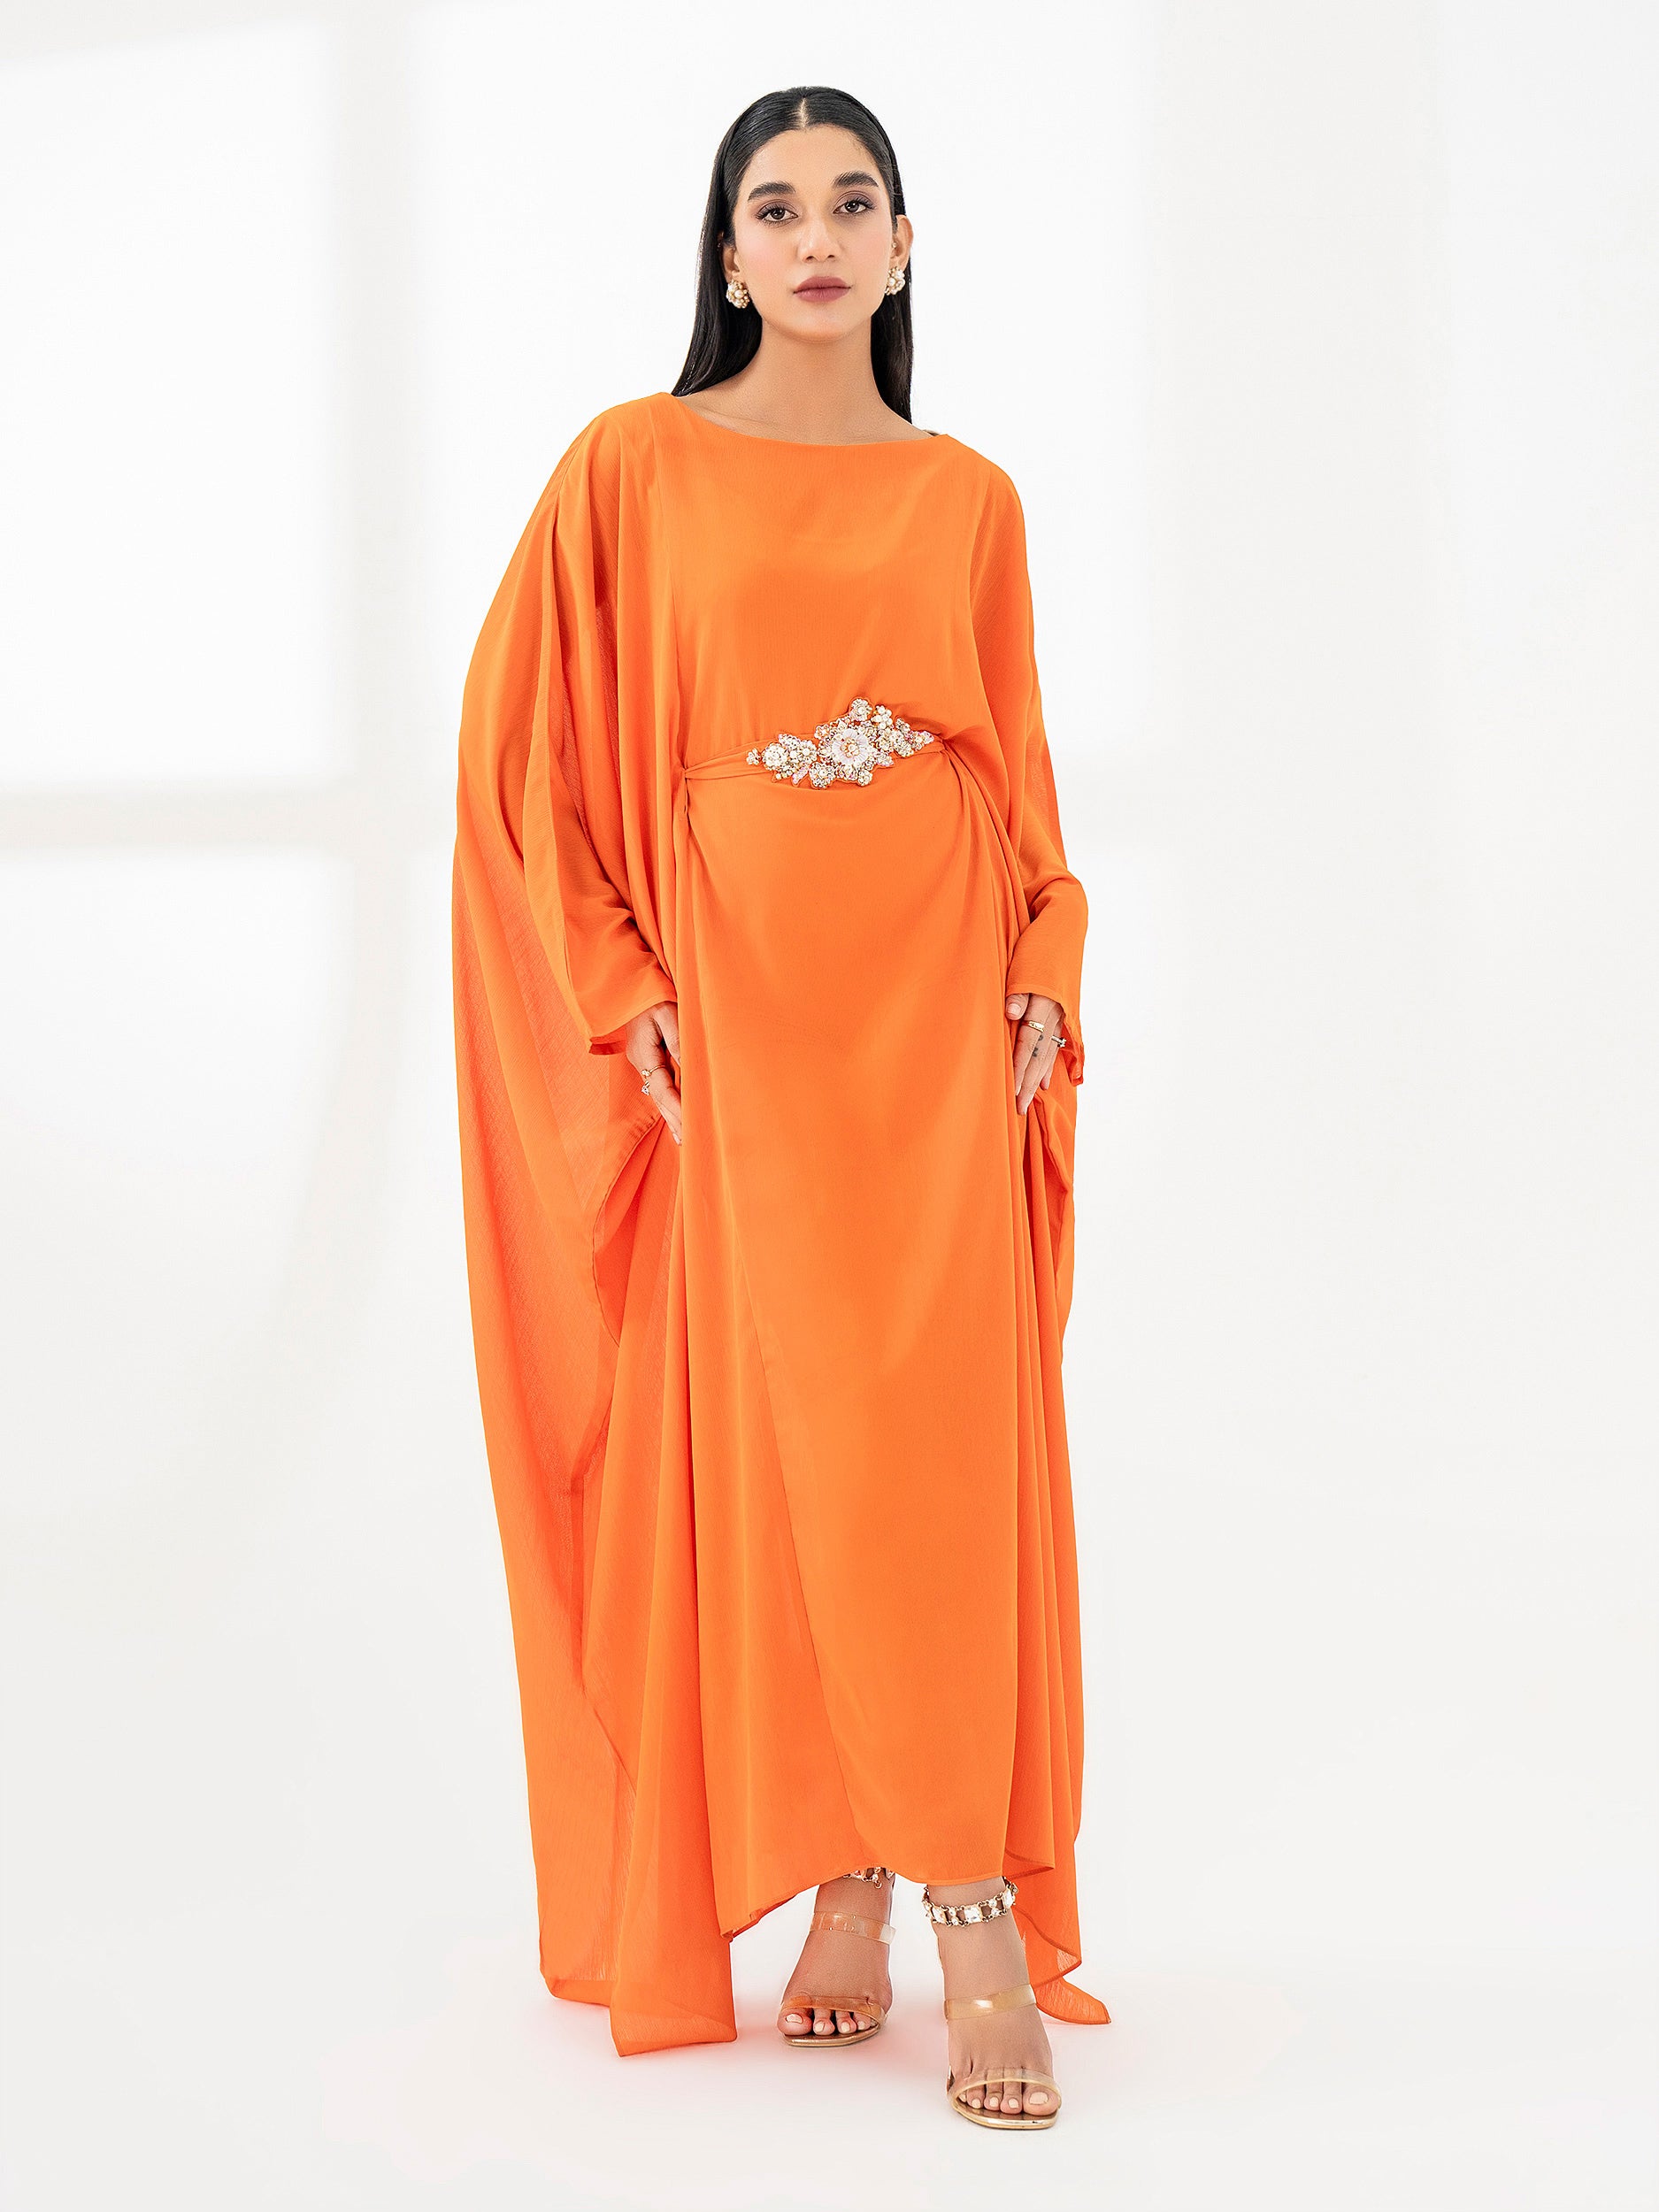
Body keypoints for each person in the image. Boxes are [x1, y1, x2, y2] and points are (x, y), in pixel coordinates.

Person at [451, 83, 1109, 2132]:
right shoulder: (629, 467)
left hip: (933, 1003)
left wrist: (1047, 952)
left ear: (902, 247)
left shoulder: (967, 498)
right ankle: (839, 1859)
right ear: (726, 255)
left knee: (932, 1435)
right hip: (740, 1012)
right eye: (775, 206)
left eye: (852, 202)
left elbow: (1014, 770)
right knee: (779, 1429)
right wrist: (619, 979)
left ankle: (964, 1900)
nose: (815, 236)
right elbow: (527, 765)